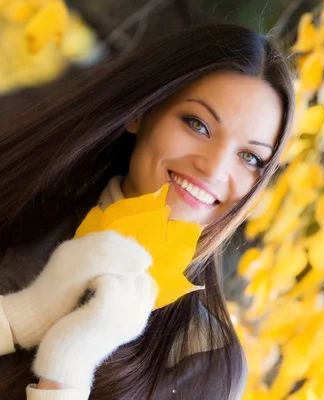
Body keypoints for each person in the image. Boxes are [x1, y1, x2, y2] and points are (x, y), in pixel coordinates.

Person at [0, 23, 295, 399]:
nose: (214, 168)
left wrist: (68, 367)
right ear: (142, 112)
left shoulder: (205, 361)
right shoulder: (16, 200)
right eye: (197, 124)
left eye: (250, 157)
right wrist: (25, 314)